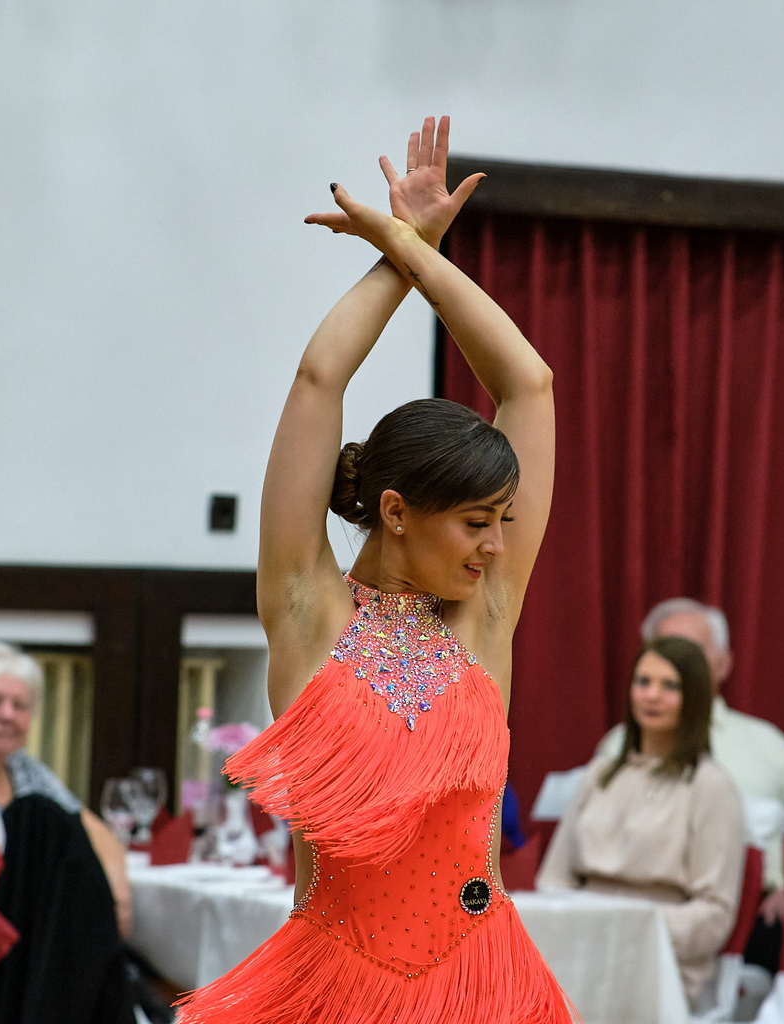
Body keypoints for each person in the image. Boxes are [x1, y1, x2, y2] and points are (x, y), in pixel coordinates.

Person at [177, 117, 576, 1024]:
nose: (498, 548)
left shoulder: (485, 616)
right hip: (335, 986)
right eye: (475, 523)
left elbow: (531, 385)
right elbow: (319, 380)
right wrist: (392, 259)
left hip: (483, 986)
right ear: (396, 513)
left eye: (504, 523)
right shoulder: (307, 609)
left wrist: (419, 250)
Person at [595, 598, 784, 964]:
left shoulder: (768, 746)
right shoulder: (617, 749)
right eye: (664, 652)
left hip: (759, 913)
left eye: (691, 653)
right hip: (636, 906)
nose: (677, 666)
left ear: (723, 664)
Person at [542, 635, 746, 1005]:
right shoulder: (600, 774)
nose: (652, 695)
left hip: (659, 963)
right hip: (581, 949)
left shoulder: (711, 787)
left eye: (670, 686)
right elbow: (553, 880)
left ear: (695, 698)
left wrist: (631, 930)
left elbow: (715, 915)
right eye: (643, 681)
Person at [0, 640, 132, 936]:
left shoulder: (21, 766)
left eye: (20, 706)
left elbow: (89, 825)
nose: (7, 715)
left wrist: (118, 894)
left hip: (36, 926)